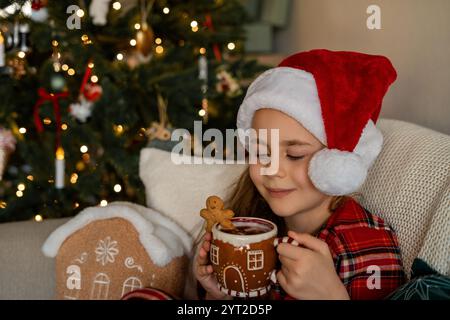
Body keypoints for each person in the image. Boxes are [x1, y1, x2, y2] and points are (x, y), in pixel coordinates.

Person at [195, 49, 406, 300]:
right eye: (262, 153)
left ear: (336, 164)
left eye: (294, 155)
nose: (272, 170)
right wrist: (221, 295)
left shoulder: (366, 245)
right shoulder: (253, 221)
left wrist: (331, 295)